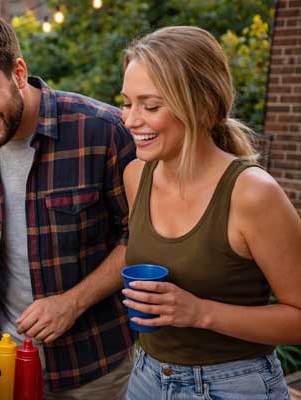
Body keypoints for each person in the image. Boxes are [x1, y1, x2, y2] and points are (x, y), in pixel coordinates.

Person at [0, 10, 137, 399]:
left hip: (92, 366)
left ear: (19, 73)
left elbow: (140, 239)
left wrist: (72, 303)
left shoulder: (103, 132)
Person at [120, 26, 300, 399]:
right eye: (126, 102)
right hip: (146, 377)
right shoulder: (137, 176)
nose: (130, 120)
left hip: (234, 386)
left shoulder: (252, 193)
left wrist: (199, 312)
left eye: (150, 106)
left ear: (199, 106)